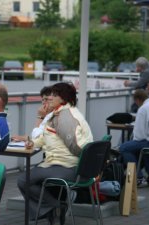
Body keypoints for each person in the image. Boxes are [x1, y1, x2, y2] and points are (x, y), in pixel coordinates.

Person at [17, 82, 93, 224]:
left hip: (67, 167)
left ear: (64, 99)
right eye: (50, 94)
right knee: (32, 176)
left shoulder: (64, 117)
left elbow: (78, 147)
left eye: (54, 95)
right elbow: (46, 137)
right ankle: (54, 209)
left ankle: (55, 207)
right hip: (67, 165)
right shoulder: (62, 113)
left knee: (23, 180)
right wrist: (33, 143)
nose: (50, 98)